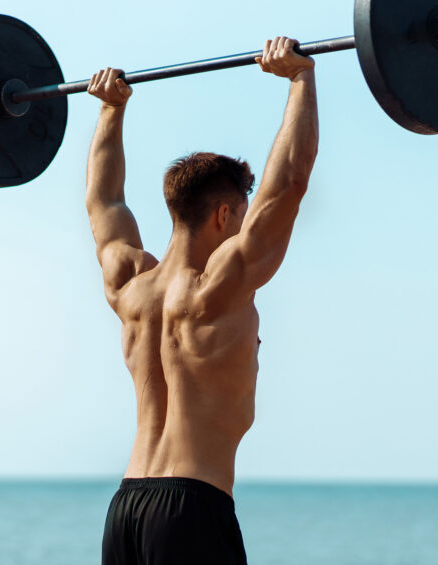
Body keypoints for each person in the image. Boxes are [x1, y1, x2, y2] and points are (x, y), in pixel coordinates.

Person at [85, 36, 318, 565]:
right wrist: (300, 81)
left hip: (126, 511)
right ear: (222, 215)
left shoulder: (129, 284)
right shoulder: (219, 288)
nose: (245, 224)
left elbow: (105, 201)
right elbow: (289, 187)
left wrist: (109, 110)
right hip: (191, 510)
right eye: (241, 212)